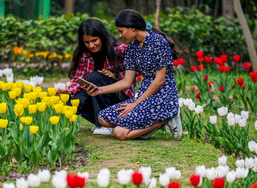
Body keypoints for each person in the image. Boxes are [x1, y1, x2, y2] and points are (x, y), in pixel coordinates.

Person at [85, 9, 182, 141]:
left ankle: (166, 117)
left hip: (162, 97)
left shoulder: (158, 42)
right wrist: (99, 90)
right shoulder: (132, 48)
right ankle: (147, 126)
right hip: (144, 97)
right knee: (102, 118)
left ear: (132, 28)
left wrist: (135, 103)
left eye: (121, 31)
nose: (120, 35)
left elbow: (159, 81)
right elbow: (126, 82)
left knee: (119, 133)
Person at [57, 18, 137, 135]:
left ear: (102, 36)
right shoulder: (84, 54)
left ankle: (104, 124)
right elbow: (78, 78)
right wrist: (69, 91)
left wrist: (115, 77)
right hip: (96, 94)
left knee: (95, 77)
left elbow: (138, 71)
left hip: (120, 97)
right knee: (71, 102)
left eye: (94, 40)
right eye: (87, 42)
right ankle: (103, 122)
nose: (91, 45)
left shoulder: (120, 50)